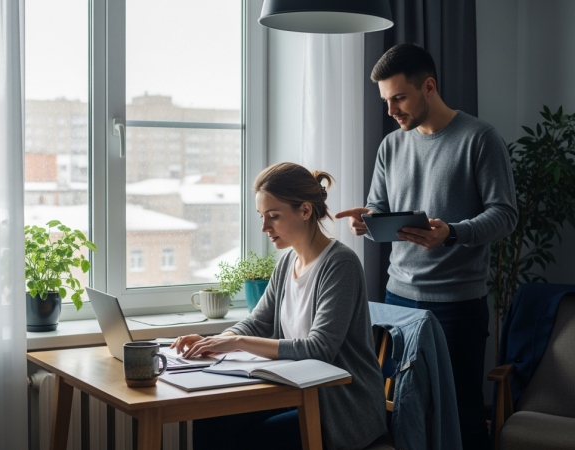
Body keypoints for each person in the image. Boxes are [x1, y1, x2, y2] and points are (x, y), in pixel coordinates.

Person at [336, 43, 518, 450]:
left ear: (429, 87)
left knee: (462, 414)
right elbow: (382, 209)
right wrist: (367, 222)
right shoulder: (391, 146)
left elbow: (505, 214)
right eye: (386, 100)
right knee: (401, 410)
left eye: (398, 97)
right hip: (396, 300)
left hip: (456, 305)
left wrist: (450, 232)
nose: (391, 110)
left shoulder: (480, 138)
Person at [173, 162, 387, 450]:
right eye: (262, 216)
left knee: (255, 440)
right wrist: (216, 341)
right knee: (211, 419)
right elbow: (258, 322)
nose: (264, 227)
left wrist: (238, 342)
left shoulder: (340, 264)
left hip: (340, 408)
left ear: (305, 210)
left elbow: (319, 348)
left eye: (273, 216)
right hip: (299, 393)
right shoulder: (288, 262)